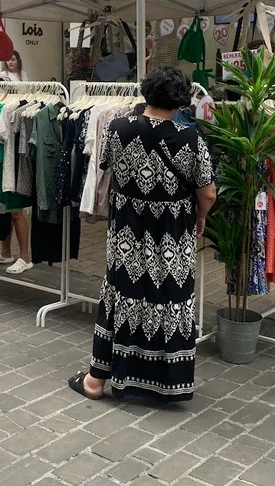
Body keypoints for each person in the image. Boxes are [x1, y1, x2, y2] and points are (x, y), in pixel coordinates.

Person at [68, 66, 216, 402]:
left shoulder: (118, 128)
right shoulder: (190, 138)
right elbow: (207, 193)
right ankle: (165, 383)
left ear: (147, 92)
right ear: (180, 100)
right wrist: (201, 217)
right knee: (170, 300)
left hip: (127, 232)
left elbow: (107, 167)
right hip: (171, 235)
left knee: (121, 297)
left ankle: (96, 380)